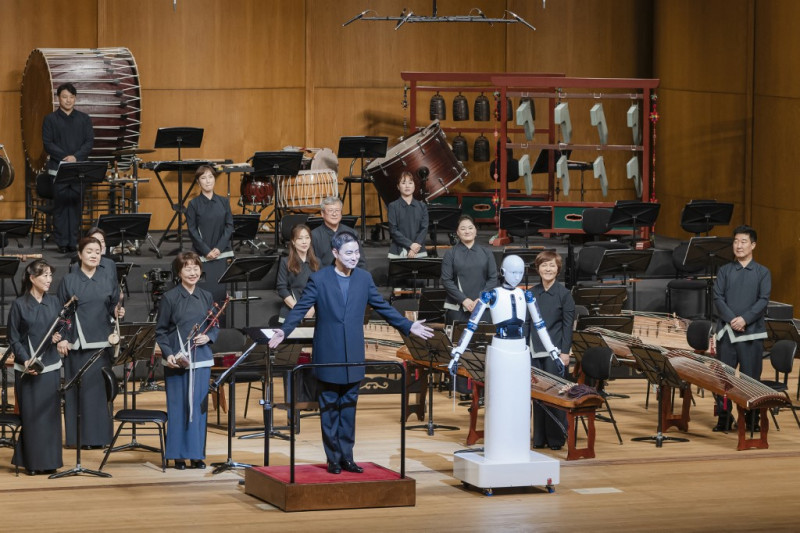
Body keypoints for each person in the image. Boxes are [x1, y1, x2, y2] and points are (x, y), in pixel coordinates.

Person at [268, 231, 433, 474]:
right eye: (349, 253)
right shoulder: (320, 279)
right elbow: (301, 308)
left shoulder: (364, 279)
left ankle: (347, 456)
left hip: (353, 354)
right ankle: (332, 458)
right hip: (328, 353)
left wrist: (408, 325)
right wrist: (284, 331)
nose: (354, 257)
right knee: (329, 407)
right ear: (335, 254)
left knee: (349, 408)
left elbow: (383, 307)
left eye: (356, 252)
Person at [57, 236, 124, 449]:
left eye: (97, 251)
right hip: (76, 343)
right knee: (77, 392)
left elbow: (113, 306)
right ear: (79, 255)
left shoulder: (108, 278)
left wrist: (118, 311)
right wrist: (64, 339)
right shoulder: (69, 280)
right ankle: (77, 440)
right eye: (89, 251)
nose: (94, 255)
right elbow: (61, 313)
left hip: (101, 342)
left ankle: (101, 438)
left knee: (99, 392)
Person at [156, 252, 219, 470]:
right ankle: (178, 457)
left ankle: (196, 455)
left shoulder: (207, 296)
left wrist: (208, 337)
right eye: (187, 268)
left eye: (195, 268)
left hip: (201, 360)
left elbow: (215, 325)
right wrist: (168, 353)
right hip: (177, 360)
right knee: (178, 408)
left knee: (198, 409)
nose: (192, 272)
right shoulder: (170, 298)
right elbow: (161, 331)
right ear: (178, 272)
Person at [7, 260, 64, 475]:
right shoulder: (19, 304)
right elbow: (14, 338)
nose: (49, 280)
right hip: (27, 368)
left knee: (50, 417)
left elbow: (63, 326)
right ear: (32, 278)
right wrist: (25, 360)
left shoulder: (55, 301)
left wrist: (60, 337)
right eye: (45, 276)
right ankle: (32, 463)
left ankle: (51, 462)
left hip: (50, 367)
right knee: (32, 417)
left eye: (50, 275)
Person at [712, 224, 771, 432]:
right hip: (727, 333)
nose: (739, 245)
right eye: (736, 241)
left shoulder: (763, 272)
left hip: (751, 334)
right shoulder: (725, 270)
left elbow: (763, 300)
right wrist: (731, 319)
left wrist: (744, 319)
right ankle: (724, 418)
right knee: (724, 380)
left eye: (744, 241)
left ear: (753, 245)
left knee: (751, 379)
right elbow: (718, 298)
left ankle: (752, 418)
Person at [528, 250, 575, 451]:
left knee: (554, 395)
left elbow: (567, 326)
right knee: (537, 395)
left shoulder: (564, 295)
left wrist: (565, 353)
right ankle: (539, 438)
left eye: (552, 265)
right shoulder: (531, 293)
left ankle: (556, 438)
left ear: (558, 269)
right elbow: (526, 323)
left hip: (555, 353)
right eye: (544, 265)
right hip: (533, 350)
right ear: (538, 268)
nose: (548, 269)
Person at [42, 82, 94, 254]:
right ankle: (62, 242)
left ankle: (74, 241)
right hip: (58, 168)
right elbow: (48, 143)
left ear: (75, 98)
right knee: (61, 206)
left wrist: (76, 157)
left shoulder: (84, 119)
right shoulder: (50, 119)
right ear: (58, 98)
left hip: (79, 169)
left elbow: (89, 142)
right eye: (65, 97)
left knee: (76, 205)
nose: (68, 100)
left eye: (71, 97)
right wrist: (65, 157)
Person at [185, 165, 234, 312]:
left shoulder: (224, 202)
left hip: (222, 254)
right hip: (203, 256)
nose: (208, 181)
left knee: (221, 295)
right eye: (203, 178)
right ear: (198, 183)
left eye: (210, 177)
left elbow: (229, 226)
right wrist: (207, 251)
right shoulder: (193, 204)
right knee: (204, 296)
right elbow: (192, 231)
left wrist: (218, 248)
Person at [440, 215, 498, 324]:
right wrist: (464, 300)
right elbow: (446, 280)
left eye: (470, 228)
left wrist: (481, 299)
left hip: (483, 306)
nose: (467, 231)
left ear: (476, 230)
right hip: (457, 307)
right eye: (463, 229)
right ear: (457, 232)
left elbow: (493, 278)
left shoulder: (487, 252)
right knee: (456, 340)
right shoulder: (450, 253)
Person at [276, 224, 319, 323]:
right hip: (291, 310)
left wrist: (313, 309)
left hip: (313, 312)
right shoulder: (285, 261)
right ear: (293, 242)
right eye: (300, 238)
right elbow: (282, 289)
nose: (304, 242)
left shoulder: (318, 262)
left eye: (307, 238)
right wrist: (299, 310)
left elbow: (321, 290)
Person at [311, 196, 365, 269]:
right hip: (324, 278)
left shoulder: (352, 233)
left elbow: (361, 262)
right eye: (330, 210)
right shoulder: (314, 235)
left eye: (337, 210)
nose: (334, 214)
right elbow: (313, 264)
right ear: (322, 213)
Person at [387, 171, 428, 259]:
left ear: (414, 186)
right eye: (403, 183)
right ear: (398, 186)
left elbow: (424, 228)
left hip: (418, 250)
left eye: (410, 182)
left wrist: (415, 247)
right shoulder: (393, 206)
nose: (407, 186)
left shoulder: (422, 206)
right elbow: (393, 230)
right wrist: (410, 245)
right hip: (398, 251)